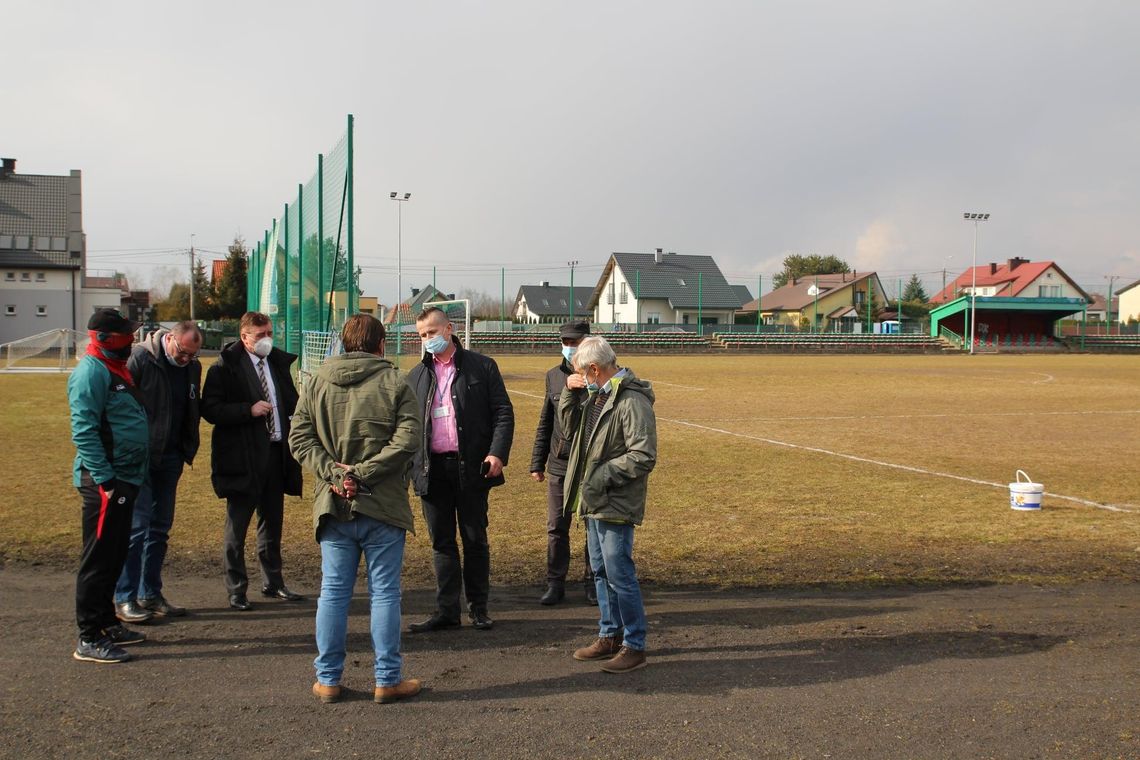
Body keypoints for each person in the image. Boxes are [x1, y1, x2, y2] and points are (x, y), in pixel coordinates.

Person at [289, 314, 423, 705]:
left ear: (344, 343)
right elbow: (409, 439)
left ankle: (327, 679)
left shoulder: (315, 382)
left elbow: (300, 438)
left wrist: (338, 474)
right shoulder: (396, 382)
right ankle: (386, 679)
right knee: (384, 594)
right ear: (381, 344)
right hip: (382, 504)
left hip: (334, 503)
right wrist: (360, 474)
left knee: (333, 593)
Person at [406, 306, 514, 633]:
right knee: (441, 542)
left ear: (449, 329)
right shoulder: (416, 376)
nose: (428, 340)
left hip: (471, 467)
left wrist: (497, 454)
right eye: (422, 335)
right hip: (432, 470)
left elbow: (503, 413)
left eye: (433, 333)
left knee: (474, 539)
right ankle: (447, 611)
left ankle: (479, 608)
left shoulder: (482, 366)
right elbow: (408, 425)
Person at [560, 336, 656, 674]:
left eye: (580, 373)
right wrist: (569, 394)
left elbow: (643, 455)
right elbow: (570, 432)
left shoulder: (631, 401)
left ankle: (635, 644)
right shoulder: (595, 396)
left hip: (614, 500)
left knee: (619, 573)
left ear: (594, 369)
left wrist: (600, 475)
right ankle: (609, 634)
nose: (579, 378)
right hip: (594, 500)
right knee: (600, 571)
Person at [201, 311, 304, 611]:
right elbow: (211, 409)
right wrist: (247, 409)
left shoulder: (277, 364)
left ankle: (273, 582)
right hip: (242, 457)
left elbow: (291, 401)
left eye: (269, 333)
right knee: (238, 526)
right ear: (244, 337)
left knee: (272, 523)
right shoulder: (224, 368)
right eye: (260, 335)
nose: (267, 339)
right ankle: (236, 589)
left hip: (275, 454)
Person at [68, 308, 151, 663]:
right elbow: (84, 431)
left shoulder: (115, 368)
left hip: (126, 477)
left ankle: (106, 621)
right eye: (124, 336)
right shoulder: (91, 372)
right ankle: (88, 636)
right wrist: (105, 480)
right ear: (103, 338)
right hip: (107, 482)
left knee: (115, 553)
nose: (131, 340)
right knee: (99, 558)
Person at [113, 321, 202, 624]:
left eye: (192, 355)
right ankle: (124, 597)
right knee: (137, 529)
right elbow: (122, 406)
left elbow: (191, 408)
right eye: (183, 353)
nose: (186, 359)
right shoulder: (140, 359)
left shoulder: (192, 368)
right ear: (170, 339)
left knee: (160, 529)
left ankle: (150, 592)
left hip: (172, 457)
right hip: (142, 458)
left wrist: (187, 447)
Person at [530, 320, 595, 605]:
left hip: (592, 463)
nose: (570, 348)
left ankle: (594, 582)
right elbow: (546, 421)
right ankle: (555, 584)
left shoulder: (602, 374)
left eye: (576, 342)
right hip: (560, 462)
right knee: (557, 525)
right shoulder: (553, 377)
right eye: (566, 343)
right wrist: (537, 461)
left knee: (593, 525)